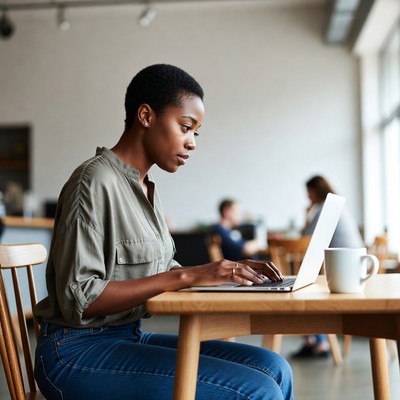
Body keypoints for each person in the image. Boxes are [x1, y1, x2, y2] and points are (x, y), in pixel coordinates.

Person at [33, 64, 293, 400]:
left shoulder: (145, 188)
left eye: (196, 133)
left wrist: (226, 275)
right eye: (186, 127)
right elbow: (79, 298)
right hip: (74, 353)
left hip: (126, 336)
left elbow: (161, 270)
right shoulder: (93, 182)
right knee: (256, 390)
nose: (192, 143)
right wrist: (187, 277)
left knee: (274, 368)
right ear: (146, 116)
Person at [292, 175, 364, 359]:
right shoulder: (338, 206)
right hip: (357, 266)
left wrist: (307, 213)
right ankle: (316, 340)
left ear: (316, 190)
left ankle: (318, 342)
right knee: (308, 285)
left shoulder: (325, 208)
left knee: (303, 287)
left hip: (346, 268)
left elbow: (306, 238)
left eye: (308, 192)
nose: (308, 197)